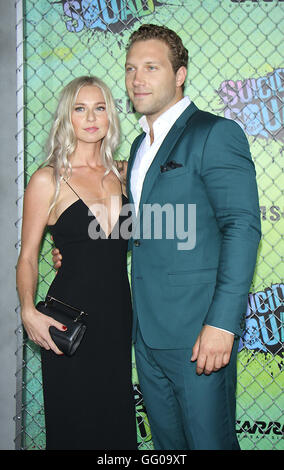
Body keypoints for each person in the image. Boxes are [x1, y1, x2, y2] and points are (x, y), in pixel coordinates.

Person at [52, 25, 261, 450]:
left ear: (179, 74)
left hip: (199, 334)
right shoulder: (138, 147)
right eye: (130, 69)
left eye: (151, 67)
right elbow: (149, 228)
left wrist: (222, 323)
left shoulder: (214, 133)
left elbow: (242, 228)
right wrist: (79, 251)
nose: (137, 79)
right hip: (144, 334)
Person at [16, 76, 137, 450]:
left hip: (117, 318)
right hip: (69, 321)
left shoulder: (126, 173)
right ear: (66, 117)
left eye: (99, 107)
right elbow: (28, 257)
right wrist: (27, 311)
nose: (90, 117)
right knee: (75, 427)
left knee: (115, 425)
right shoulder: (47, 179)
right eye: (79, 108)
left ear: (110, 115)